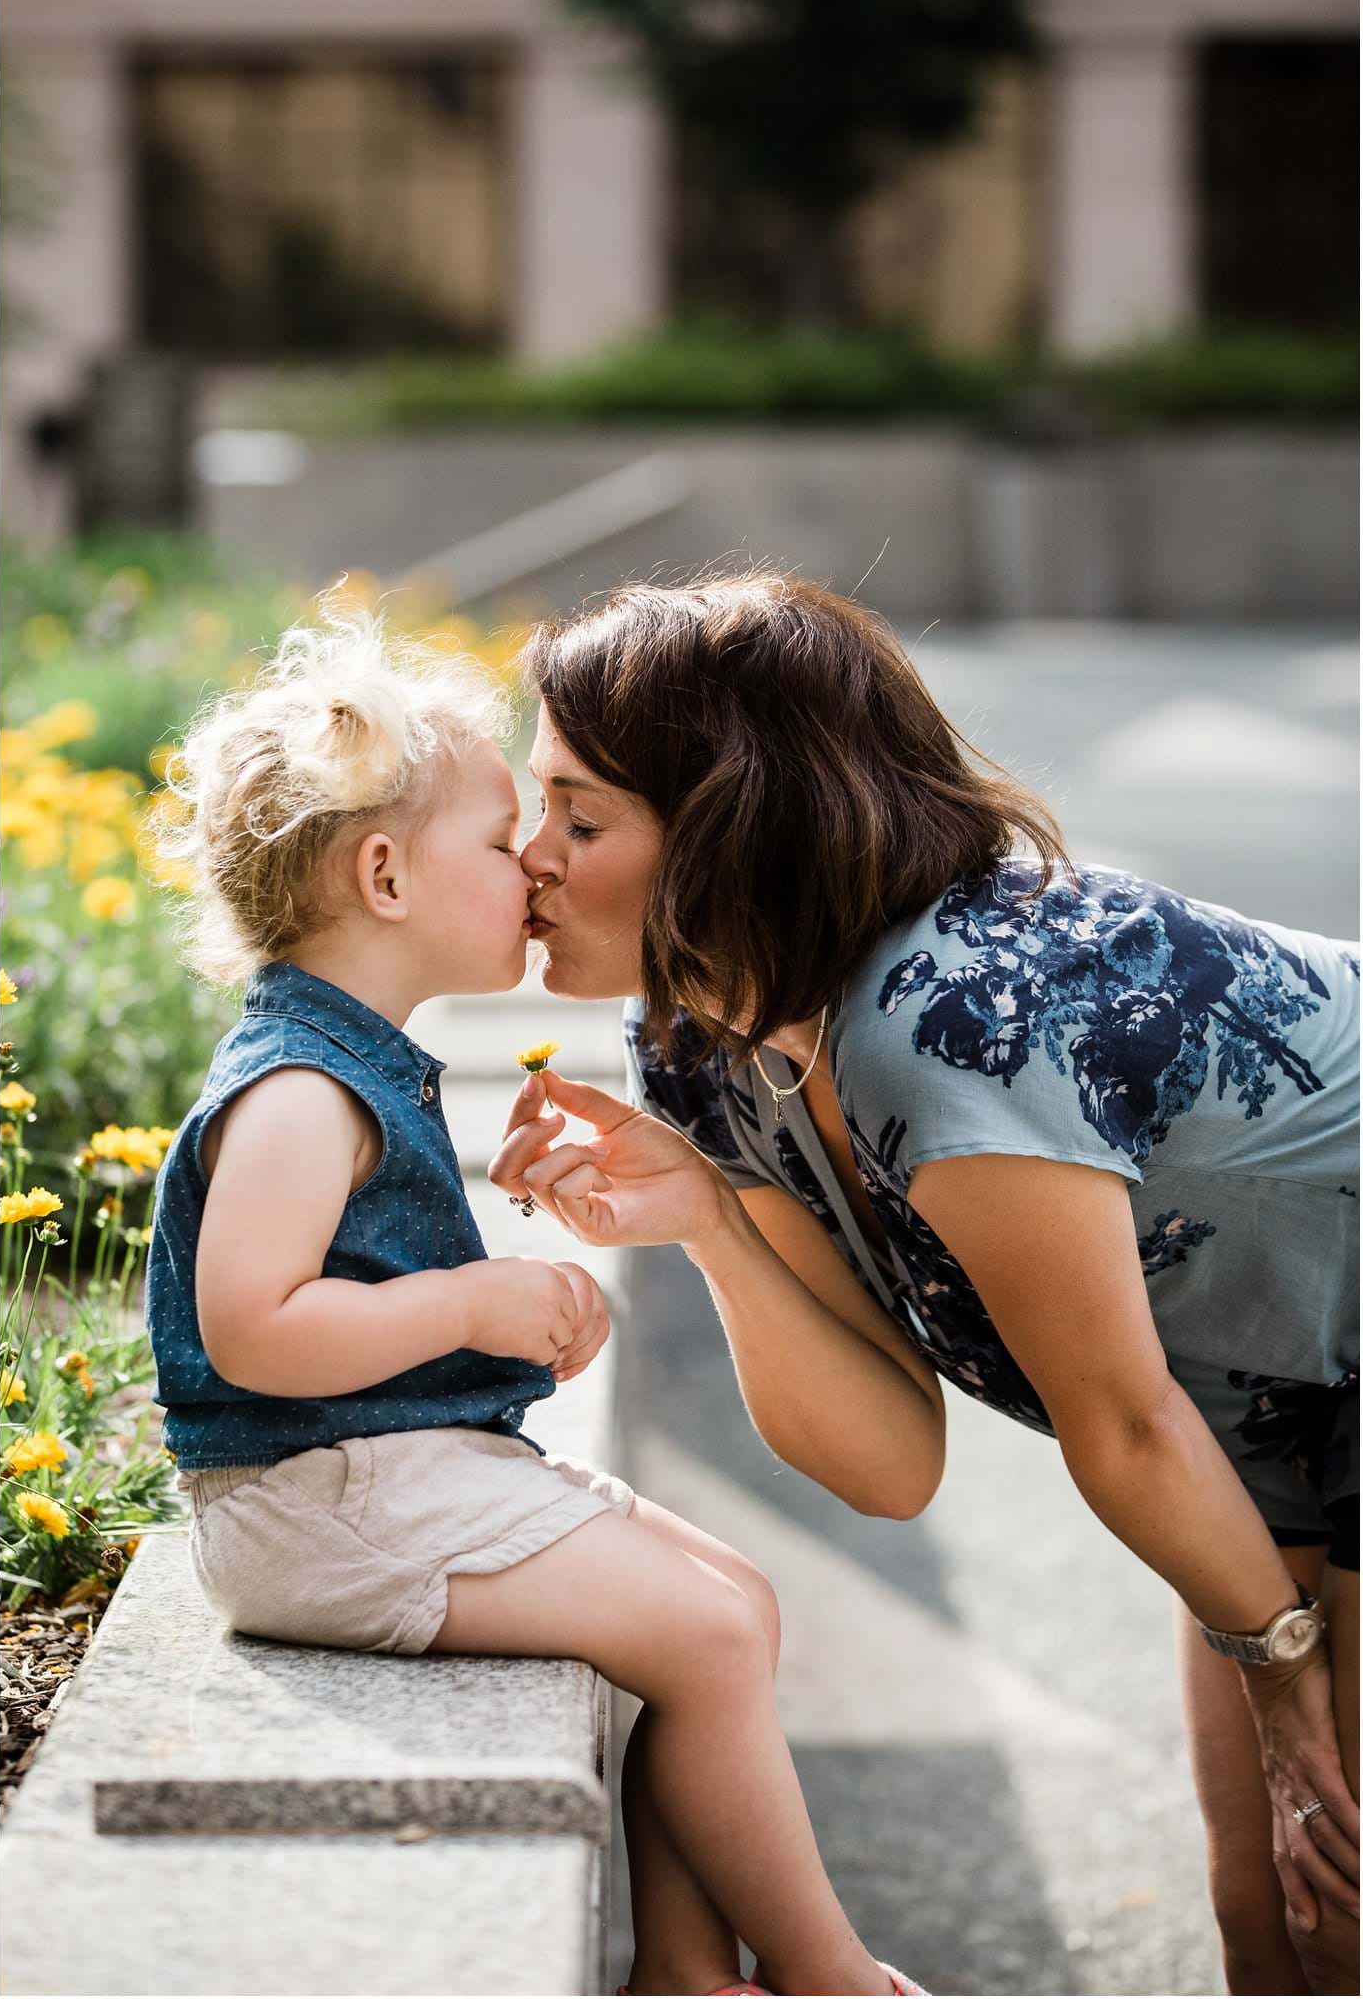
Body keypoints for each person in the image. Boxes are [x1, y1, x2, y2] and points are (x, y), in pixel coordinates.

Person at [490, 573, 1360, 1998]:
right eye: (542, 804)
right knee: (1265, 1913)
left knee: (1338, 1908)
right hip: (1282, 1417)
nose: (530, 856)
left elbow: (1127, 1424)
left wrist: (1282, 1686)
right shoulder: (704, 1045)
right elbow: (888, 1463)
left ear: (736, 836)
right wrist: (707, 1221)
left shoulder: (951, 1017)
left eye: (581, 821)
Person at [141, 603, 927, 1999]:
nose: (534, 872)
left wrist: (503, 1297)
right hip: (314, 1505)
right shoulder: (300, 1088)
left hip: (373, 1479)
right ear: (384, 873)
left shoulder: (352, 1060)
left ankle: (688, 1967)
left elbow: (347, 1295)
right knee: (702, 1633)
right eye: (506, 841)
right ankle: (827, 1976)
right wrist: (465, 1307)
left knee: (731, 1602)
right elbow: (247, 1328)